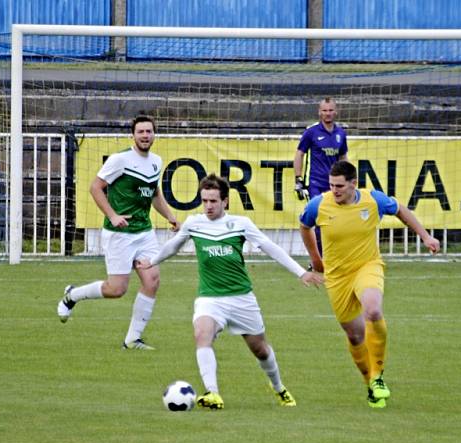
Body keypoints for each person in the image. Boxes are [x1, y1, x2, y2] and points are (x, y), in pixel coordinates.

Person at [139, 173, 323, 410]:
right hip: (210, 298)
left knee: (260, 349)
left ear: (225, 201)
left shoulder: (240, 224)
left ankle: (278, 387)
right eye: (204, 200)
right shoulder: (194, 223)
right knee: (201, 334)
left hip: (241, 298)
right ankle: (212, 393)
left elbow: (271, 248)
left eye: (213, 201)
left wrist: (301, 272)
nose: (208, 206)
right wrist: (152, 261)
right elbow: (173, 246)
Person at [299, 160, 440, 409]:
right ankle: (370, 384)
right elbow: (304, 225)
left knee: (373, 310)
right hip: (337, 276)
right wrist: (315, 258)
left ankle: (378, 377)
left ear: (354, 183)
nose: (335, 190)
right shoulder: (319, 204)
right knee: (355, 336)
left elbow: (401, 210)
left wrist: (425, 236)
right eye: (332, 185)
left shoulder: (372, 200)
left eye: (340, 186)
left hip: (367, 266)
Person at [56, 114, 179, 350]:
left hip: (144, 232)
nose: (145, 135)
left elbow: (154, 194)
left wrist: (171, 217)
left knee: (152, 280)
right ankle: (73, 295)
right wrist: (113, 215)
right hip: (119, 234)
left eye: (149, 131)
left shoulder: (156, 161)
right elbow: (95, 187)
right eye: (141, 132)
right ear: (133, 135)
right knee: (117, 289)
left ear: (154, 134)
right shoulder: (119, 159)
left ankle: (133, 340)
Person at [293, 97, 348, 253]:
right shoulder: (312, 132)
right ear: (319, 112)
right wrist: (298, 180)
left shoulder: (340, 133)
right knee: (320, 219)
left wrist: (349, 178)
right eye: (324, 110)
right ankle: (318, 258)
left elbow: (343, 157)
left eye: (330, 110)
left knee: (337, 219)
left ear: (335, 112)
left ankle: (334, 254)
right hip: (316, 184)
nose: (328, 113)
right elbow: (299, 154)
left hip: (336, 186)